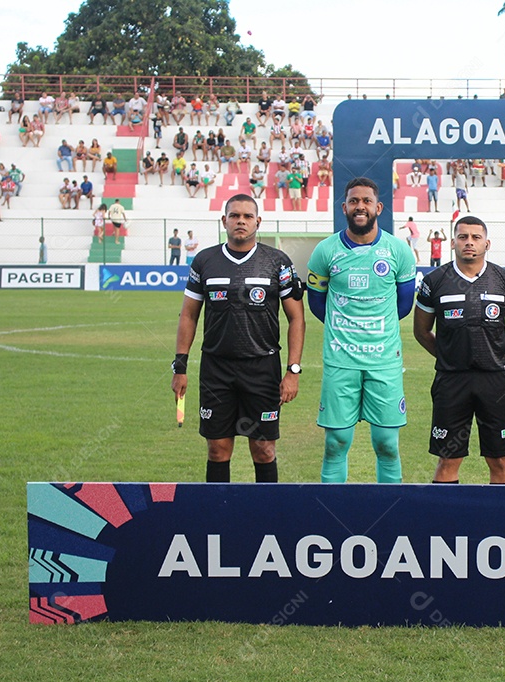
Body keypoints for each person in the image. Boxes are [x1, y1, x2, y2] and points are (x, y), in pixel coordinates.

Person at [171, 194, 305, 484]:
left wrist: (293, 371)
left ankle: (268, 520)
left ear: (258, 221)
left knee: (263, 449)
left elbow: (297, 318)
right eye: (234, 216)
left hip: (262, 368)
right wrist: (180, 366)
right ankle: (219, 517)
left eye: (247, 216)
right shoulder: (205, 261)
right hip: (216, 369)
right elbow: (188, 316)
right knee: (218, 449)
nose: (240, 221)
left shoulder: (277, 262)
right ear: (224, 221)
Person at [307, 177, 417, 484]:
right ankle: (335, 514)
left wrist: (373, 334)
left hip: (384, 361)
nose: (360, 207)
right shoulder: (324, 252)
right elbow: (318, 305)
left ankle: (390, 513)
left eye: (366, 201)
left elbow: (403, 306)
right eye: (354, 201)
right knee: (335, 443)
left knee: (387, 444)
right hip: (341, 360)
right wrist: (345, 332)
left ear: (378, 207)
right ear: (344, 207)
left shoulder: (398, 251)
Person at [413, 216, 505, 484]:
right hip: (451, 381)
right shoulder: (435, 280)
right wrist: (449, 356)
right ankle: (447, 526)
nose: (469, 242)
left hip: (495, 381)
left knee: (500, 460)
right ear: (452, 242)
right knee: (447, 461)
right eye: (463, 237)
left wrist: (493, 354)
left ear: (487, 243)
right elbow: (421, 332)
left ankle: (502, 524)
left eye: (476, 238)